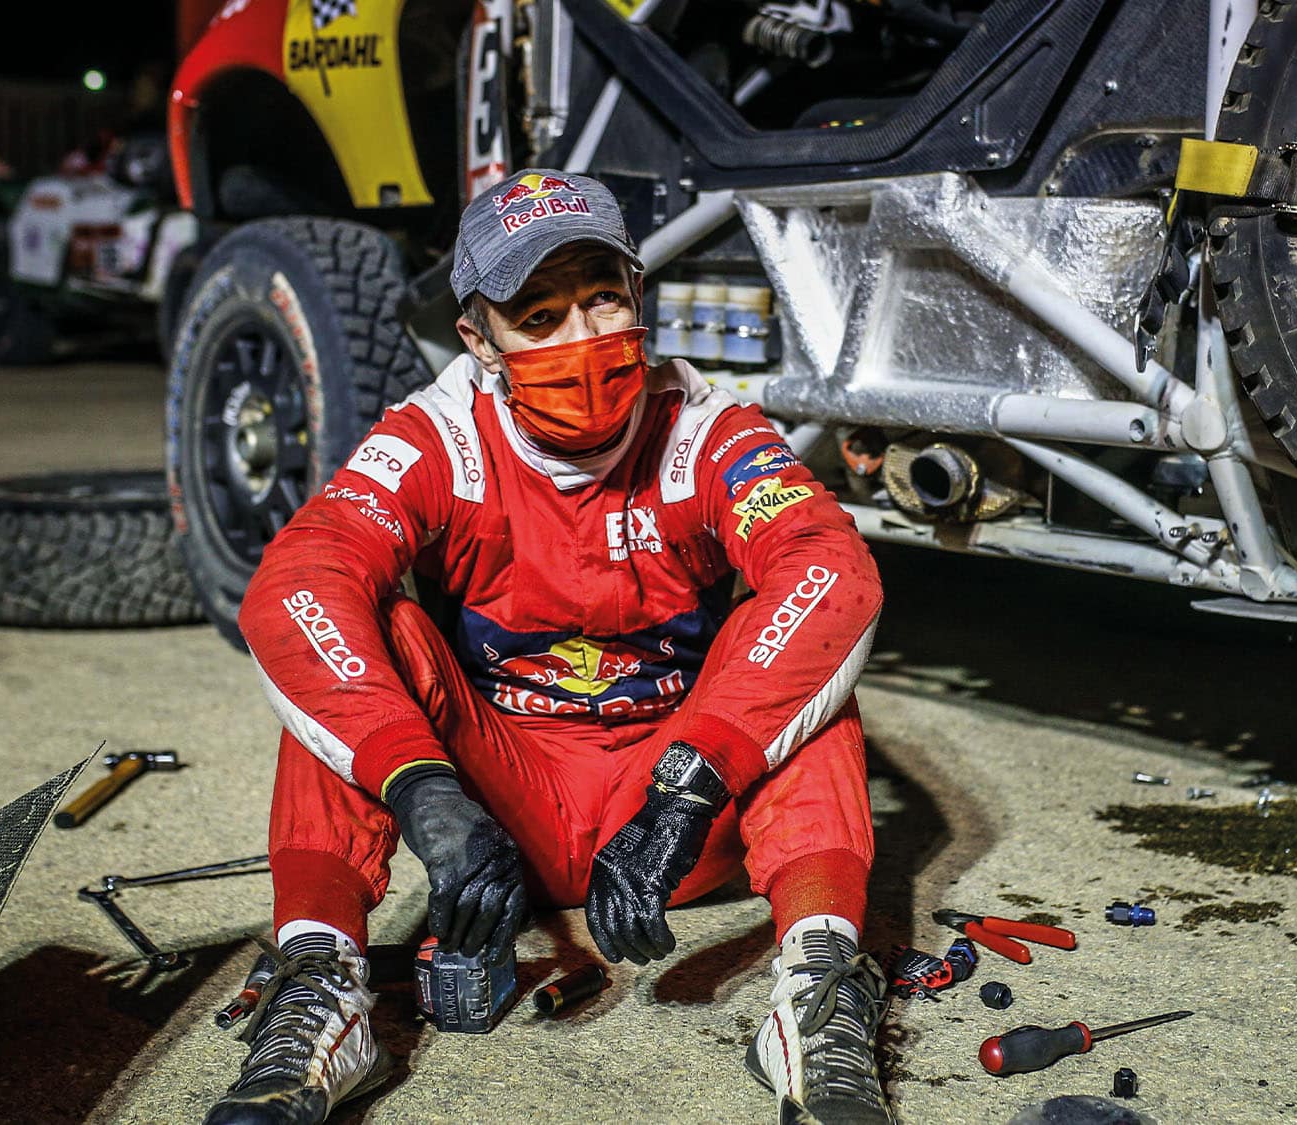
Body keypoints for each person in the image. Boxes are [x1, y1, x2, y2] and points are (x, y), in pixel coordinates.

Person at [204, 169, 891, 1125]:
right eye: (538, 315)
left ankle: (816, 998)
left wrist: (692, 781)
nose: (581, 338)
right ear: (478, 339)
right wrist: (422, 788)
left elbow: (830, 571)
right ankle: (321, 984)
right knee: (367, 639)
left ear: (638, 296)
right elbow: (296, 586)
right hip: (493, 822)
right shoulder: (437, 437)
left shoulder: (709, 430)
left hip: (671, 821)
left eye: (601, 295)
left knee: (795, 657)